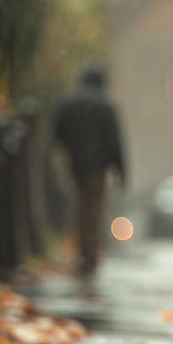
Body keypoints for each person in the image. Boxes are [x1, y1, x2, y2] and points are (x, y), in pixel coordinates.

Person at [52, 62, 126, 276]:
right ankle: (89, 257)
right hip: (98, 167)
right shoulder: (105, 105)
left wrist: (71, 148)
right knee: (93, 210)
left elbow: (57, 133)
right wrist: (120, 170)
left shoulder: (68, 102)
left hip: (76, 164)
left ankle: (81, 253)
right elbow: (115, 140)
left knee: (79, 207)